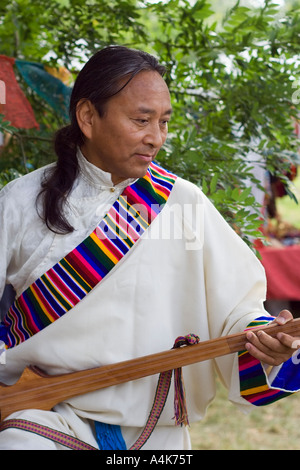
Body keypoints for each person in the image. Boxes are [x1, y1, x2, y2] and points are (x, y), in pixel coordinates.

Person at [0, 45, 299, 451]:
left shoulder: (183, 202)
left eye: (163, 122)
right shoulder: (20, 203)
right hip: (46, 417)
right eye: (142, 120)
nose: (156, 138)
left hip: (157, 430)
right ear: (88, 116)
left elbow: (238, 311)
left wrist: (264, 340)